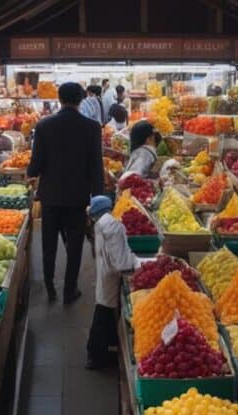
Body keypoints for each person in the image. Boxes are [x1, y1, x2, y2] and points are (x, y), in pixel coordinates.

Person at [28, 81, 104, 304]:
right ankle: (69, 290)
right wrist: (98, 199)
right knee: (75, 245)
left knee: (49, 244)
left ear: (59, 99)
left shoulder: (43, 126)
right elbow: (95, 167)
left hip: (50, 196)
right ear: (81, 99)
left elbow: (36, 164)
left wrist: (31, 172)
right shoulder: (91, 128)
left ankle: (50, 286)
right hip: (77, 197)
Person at [86, 195, 145, 369]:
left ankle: (100, 351)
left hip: (106, 271)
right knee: (104, 310)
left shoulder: (101, 224)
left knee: (103, 306)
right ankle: (96, 356)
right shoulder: (112, 226)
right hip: (110, 274)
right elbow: (121, 262)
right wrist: (138, 264)